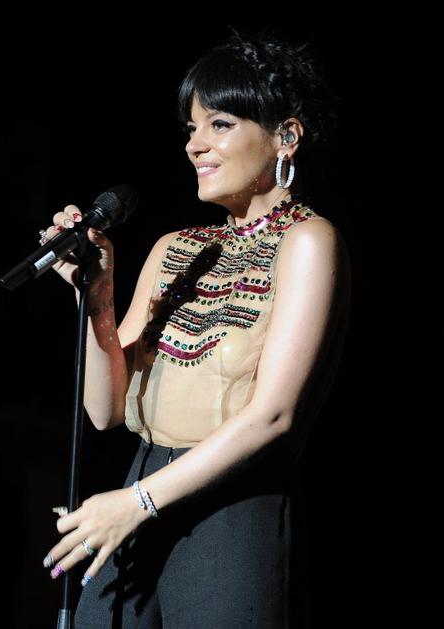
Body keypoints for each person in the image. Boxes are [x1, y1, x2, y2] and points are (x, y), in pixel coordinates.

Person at [40, 26, 351, 628]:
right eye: (191, 128)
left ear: (285, 137)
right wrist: (96, 299)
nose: (195, 145)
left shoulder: (308, 242)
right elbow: (105, 411)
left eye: (220, 125)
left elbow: (274, 417)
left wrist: (137, 503)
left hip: (229, 511)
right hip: (137, 494)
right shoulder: (175, 249)